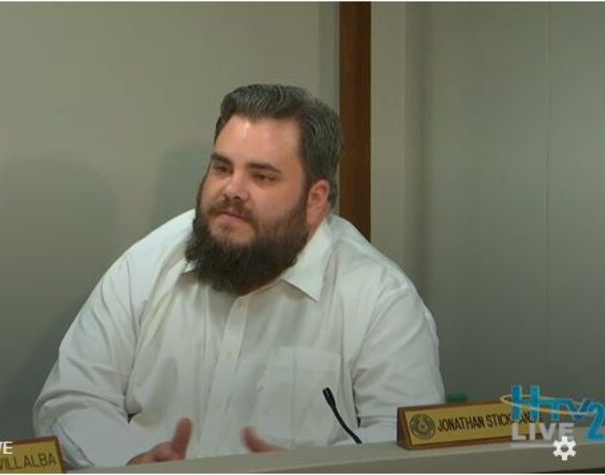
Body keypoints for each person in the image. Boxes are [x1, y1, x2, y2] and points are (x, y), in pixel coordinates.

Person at [33, 84, 444, 468]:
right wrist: (130, 462)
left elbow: (406, 440)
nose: (232, 189)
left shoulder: (380, 299)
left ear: (315, 201)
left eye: (261, 176)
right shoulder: (146, 264)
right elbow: (72, 398)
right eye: (222, 168)